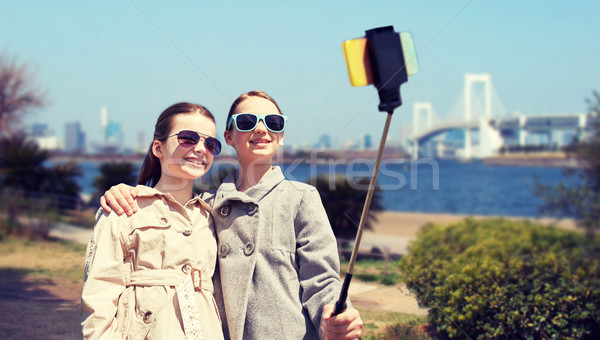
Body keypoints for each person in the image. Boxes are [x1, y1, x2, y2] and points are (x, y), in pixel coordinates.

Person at [101, 91, 363, 339]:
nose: (261, 129)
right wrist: (127, 193)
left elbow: (321, 279)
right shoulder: (205, 207)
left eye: (272, 122)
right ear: (228, 137)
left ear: (281, 136)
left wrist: (336, 315)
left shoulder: (301, 198)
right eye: (247, 122)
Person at [80, 102, 225, 340]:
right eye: (188, 138)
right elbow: (99, 296)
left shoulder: (212, 217)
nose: (201, 149)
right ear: (158, 147)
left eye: (211, 144)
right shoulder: (123, 209)